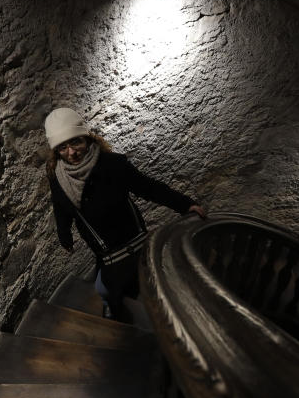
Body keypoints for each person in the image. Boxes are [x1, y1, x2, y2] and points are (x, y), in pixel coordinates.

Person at [44, 107, 206, 320]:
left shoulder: (112, 165)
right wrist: (64, 235)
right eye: (62, 147)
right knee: (110, 295)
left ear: (87, 138)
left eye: (76, 142)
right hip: (106, 256)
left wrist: (185, 204)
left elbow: (148, 188)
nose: (71, 152)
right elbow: (61, 208)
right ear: (56, 151)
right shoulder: (58, 179)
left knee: (155, 297)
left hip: (135, 247)